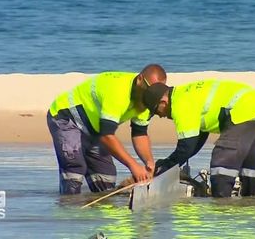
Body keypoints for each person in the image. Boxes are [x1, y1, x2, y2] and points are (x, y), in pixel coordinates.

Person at [47, 64, 167, 194]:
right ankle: (69, 209)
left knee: (106, 178)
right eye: (150, 90)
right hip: (66, 117)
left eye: (157, 92)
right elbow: (106, 136)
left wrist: (149, 162)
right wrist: (133, 166)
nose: (152, 96)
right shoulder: (117, 92)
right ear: (139, 80)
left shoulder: (147, 102)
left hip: (95, 129)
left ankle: (95, 210)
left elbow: (139, 133)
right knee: (74, 169)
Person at [143, 79, 255, 197]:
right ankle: (252, 208)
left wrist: (165, 166)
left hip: (242, 109)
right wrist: (169, 166)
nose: (160, 116)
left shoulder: (180, 104)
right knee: (250, 169)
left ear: (163, 102)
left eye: (156, 111)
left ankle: (221, 213)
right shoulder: (186, 94)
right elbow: (195, 143)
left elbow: (186, 146)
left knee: (221, 165)